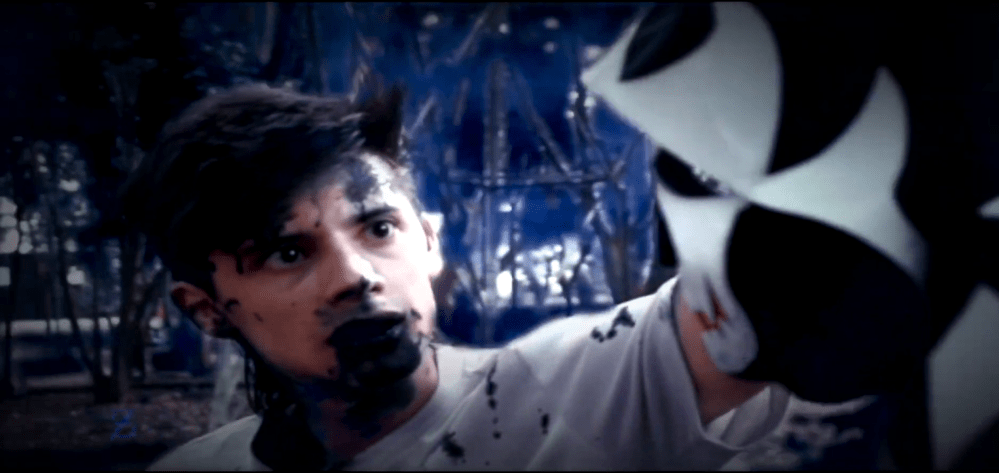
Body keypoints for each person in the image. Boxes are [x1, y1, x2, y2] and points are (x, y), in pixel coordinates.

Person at [126, 77, 794, 470]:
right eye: (288, 253)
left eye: (378, 228)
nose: (356, 277)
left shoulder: (579, 388)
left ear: (428, 241)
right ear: (206, 308)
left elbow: (788, 293)